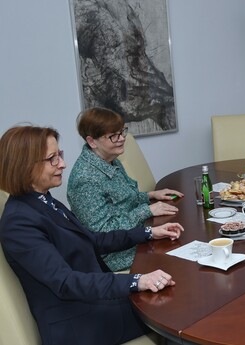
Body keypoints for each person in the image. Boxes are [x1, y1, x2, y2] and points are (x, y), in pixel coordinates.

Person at [0, 125, 185, 345]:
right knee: (173, 309)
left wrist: (148, 232)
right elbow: (65, 282)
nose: (63, 164)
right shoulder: (19, 222)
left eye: (59, 154)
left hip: (90, 302)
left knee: (172, 294)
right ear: (24, 166)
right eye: (52, 158)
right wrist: (137, 280)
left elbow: (92, 240)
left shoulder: (43, 200)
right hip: (79, 323)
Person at [67, 107, 183, 271]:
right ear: (92, 141)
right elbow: (104, 234)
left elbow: (125, 198)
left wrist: (150, 195)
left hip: (135, 235)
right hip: (116, 255)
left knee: (179, 231)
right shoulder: (85, 180)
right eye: (113, 136)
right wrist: (146, 211)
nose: (121, 139)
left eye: (122, 132)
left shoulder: (110, 159)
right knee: (178, 249)